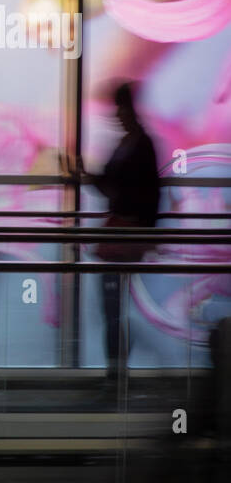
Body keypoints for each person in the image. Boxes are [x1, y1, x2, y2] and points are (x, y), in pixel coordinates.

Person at [72, 81, 160, 384]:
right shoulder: (135, 144)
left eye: (119, 108)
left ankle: (117, 367)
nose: (117, 115)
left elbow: (131, 191)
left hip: (124, 233)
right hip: (125, 233)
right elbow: (119, 187)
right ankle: (117, 364)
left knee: (111, 303)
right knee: (112, 304)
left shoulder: (135, 145)